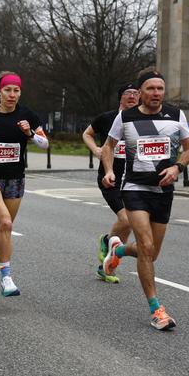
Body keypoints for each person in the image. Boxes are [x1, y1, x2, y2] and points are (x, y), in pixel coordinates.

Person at [101, 68, 189, 331]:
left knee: (151, 254)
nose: (156, 93)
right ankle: (157, 310)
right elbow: (108, 146)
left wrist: (177, 168)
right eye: (151, 88)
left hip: (163, 191)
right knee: (145, 243)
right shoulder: (126, 117)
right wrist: (109, 170)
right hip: (134, 188)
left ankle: (117, 250)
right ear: (140, 92)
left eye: (160, 89)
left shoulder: (176, 115)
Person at [0, 72, 48, 297]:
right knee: (5, 222)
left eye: (16, 90)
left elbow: (44, 144)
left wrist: (29, 133)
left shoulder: (27, 115)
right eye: (8, 90)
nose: (12, 95)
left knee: (3, 227)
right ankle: (6, 277)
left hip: (15, 179)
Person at [82, 82, 140, 284]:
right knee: (126, 220)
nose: (132, 96)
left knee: (130, 225)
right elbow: (87, 134)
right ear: (120, 97)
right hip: (110, 179)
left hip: (134, 180)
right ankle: (107, 242)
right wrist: (96, 149)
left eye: (136, 93)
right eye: (128, 93)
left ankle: (107, 266)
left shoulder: (142, 121)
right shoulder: (107, 118)